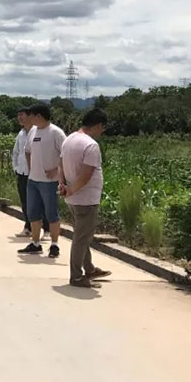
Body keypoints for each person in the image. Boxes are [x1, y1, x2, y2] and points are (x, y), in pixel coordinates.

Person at [60, 109, 112, 288]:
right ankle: (76, 276)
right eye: (102, 128)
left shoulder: (69, 139)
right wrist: (71, 190)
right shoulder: (91, 145)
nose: (102, 132)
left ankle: (89, 268)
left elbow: (60, 165)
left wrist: (63, 185)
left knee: (83, 234)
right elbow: (86, 174)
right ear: (98, 125)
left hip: (73, 198)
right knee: (81, 238)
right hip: (86, 199)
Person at [17, 104, 66, 258]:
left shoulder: (56, 133)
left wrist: (57, 170)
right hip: (33, 180)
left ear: (39, 116)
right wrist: (31, 168)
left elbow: (66, 154)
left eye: (31, 115)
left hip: (49, 182)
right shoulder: (33, 131)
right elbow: (27, 151)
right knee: (33, 213)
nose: (28, 118)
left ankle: (54, 244)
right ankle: (36, 243)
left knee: (51, 213)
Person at [12, 108, 49, 238]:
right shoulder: (21, 133)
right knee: (25, 202)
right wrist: (16, 167)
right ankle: (28, 227)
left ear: (30, 116)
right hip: (22, 172)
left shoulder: (38, 131)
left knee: (41, 202)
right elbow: (16, 152)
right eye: (18, 115)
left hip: (37, 173)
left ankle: (47, 229)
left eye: (22, 115)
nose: (19, 118)